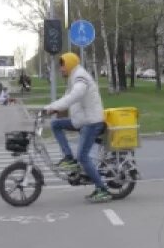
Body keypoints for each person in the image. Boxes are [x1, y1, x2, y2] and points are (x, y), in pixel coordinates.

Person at [43, 52, 112, 204]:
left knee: (82, 156)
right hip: (81, 120)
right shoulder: (73, 78)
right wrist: (50, 108)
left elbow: (74, 96)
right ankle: (69, 157)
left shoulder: (80, 77)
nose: (61, 70)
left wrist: (53, 108)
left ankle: (103, 190)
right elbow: (66, 98)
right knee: (55, 124)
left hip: (91, 122)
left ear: (69, 64)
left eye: (62, 66)